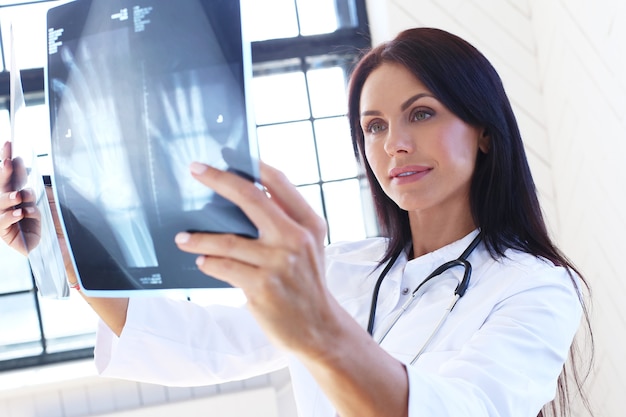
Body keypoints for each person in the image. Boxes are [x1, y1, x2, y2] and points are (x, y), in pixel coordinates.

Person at [0, 27, 592, 417]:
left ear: (484, 130)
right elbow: (198, 345)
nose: (396, 145)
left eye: (422, 113)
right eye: (375, 126)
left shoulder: (534, 286)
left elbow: (460, 409)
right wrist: (61, 239)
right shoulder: (344, 269)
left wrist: (317, 322)